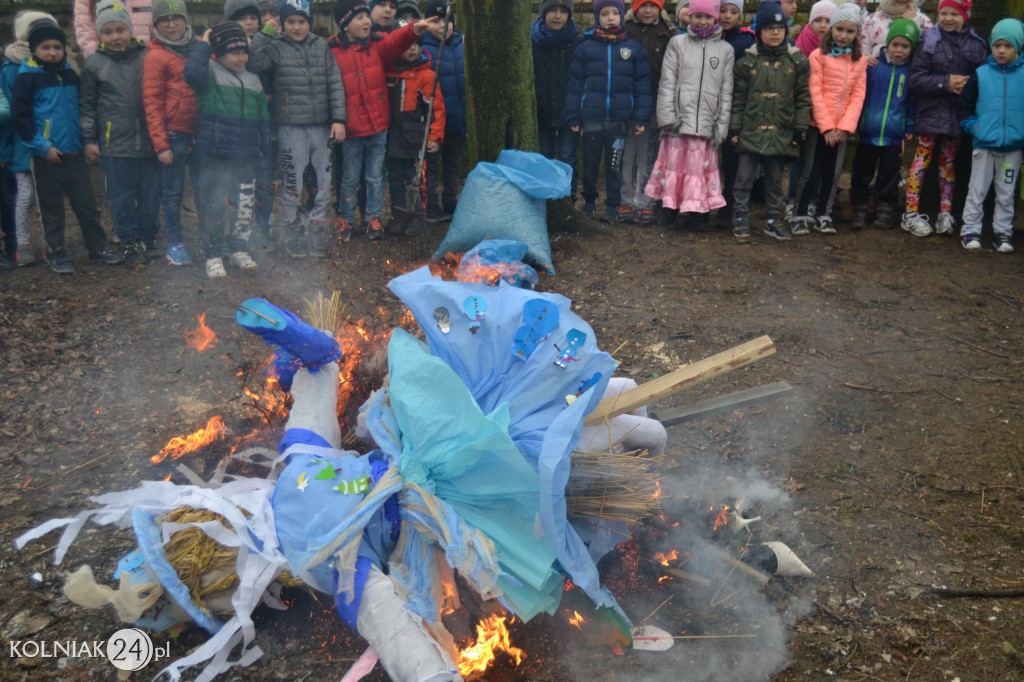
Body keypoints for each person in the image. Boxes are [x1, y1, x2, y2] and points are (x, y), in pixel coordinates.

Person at [12, 14, 123, 274]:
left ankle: (97, 246)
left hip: (74, 152)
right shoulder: (26, 77)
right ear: (34, 49)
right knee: (51, 209)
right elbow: (21, 118)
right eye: (46, 48)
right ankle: (57, 251)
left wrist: (89, 141)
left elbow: (84, 109)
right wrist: (41, 146)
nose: (52, 53)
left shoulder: (71, 75)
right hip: (47, 155)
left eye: (57, 48)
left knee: (86, 204)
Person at [329, 0, 440, 241]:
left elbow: (396, 40)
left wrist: (415, 28)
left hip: (378, 128)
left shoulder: (378, 46)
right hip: (351, 129)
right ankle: (346, 218)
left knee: (374, 176)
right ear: (345, 25)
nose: (367, 22)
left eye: (366, 17)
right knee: (349, 176)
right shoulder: (333, 51)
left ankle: (373, 218)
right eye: (359, 18)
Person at [248, 0, 346, 258]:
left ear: (309, 22)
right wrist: (264, 34)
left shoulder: (321, 46)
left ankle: (315, 228)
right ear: (282, 22)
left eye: (301, 21)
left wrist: (338, 119)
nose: (296, 26)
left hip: (322, 125)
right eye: (290, 21)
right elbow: (254, 63)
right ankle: (292, 230)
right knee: (293, 180)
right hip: (291, 126)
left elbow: (335, 82)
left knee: (322, 182)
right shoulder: (276, 46)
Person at [184, 22, 270, 278]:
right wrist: (203, 43)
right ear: (219, 53)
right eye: (234, 52)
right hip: (215, 155)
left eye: (244, 51)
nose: (241, 57)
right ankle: (213, 253)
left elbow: (263, 121)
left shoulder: (254, 80)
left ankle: (238, 249)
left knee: (243, 204)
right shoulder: (209, 74)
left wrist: (264, 152)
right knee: (215, 204)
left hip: (246, 156)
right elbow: (191, 73)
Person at [80, 0, 160, 267]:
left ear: (130, 30)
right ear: (100, 35)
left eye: (120, 30)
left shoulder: (147, 56)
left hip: (149, 141)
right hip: (115, 145)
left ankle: (149, 236)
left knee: (150, 192)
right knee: (121, 196)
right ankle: (127, 241)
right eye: (108, 32)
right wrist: (90, 140)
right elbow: (88, 106)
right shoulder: (95, 64)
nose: (116, 37)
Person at [644, 0, 732, 232]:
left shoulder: (725, 50)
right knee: (674, 168)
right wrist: (668, 116)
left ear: (715, 19)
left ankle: (697, 213)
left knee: (697, 170)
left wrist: (721, 125)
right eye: (697, 16)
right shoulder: (677, 44)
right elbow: (667, 82)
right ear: (689, 17)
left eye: (707, 17)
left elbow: (726, 90)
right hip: (678, 122)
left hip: (706, 124)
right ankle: (669, 210)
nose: (702, 21)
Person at [902, 0, 987, 237]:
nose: (948, 18)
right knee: (920, 163)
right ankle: (910, 212)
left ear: (965, 16)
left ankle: (946, 213)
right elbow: (916, 79)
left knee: (948, 166)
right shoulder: (928, 40)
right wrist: (945, 83)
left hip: (956, 116)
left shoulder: (976, 43)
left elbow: (983, 78)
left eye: (954, 14)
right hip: (929, 113)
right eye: (944, 13)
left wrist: (968, 86)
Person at [563, 0, 651, 224]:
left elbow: (642, 85)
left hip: (618, 121)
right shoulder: (585, 47)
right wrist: (573, 115)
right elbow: (574, 84)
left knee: (614, 164)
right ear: (597, 18)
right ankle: (590, 202)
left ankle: (612, 205)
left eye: (614, 13)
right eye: (604, 14)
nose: (610, 17)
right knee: (590, 163)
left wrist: (641, 116)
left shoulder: (632, 49)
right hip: (592, 117)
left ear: (622, 16)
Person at [728, 1, 810, 243]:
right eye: (769, 28)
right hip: (751, 130)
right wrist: (735, 127)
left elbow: (803, 99)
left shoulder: (796, 62)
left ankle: (774, 218)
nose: (775, 33)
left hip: (781, 130)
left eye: (780, 28)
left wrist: (799, 128)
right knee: (744, 176)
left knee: (775, 178)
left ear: (785, 30)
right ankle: (740, 216)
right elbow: (739, 98)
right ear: (759, 31)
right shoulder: (747, 62)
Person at [790, 3, 866, 236]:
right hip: (818, 126)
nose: (843, 36)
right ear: (831, 29)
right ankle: (800, 213)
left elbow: (857, 95)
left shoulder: (859, 60)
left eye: (850, 31)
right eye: (839, 29)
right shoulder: (818, 56)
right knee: (811, 170)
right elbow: (815, 92)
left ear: (856, 34)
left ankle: (824, 212)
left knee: (833, 174)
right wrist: (826, 128)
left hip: (842, 129)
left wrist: (844, 127)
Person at [956, 18, 1024, 254]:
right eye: (997, 46)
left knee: (1006, 192)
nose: (1002, 51)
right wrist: (976, 128)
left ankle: (1003, 232)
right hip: (983, 144)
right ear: (991, 46)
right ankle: (971, 230)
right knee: (977, 189)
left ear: (1018, 47)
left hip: (1013, 146)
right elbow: (964, 107)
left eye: (1008, 46)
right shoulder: (980, 74)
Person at [144, 0, 199, 266]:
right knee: (172, 192)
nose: (171, 24)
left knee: (204, 188)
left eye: (176, 18)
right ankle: (175, 244)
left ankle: (210, 241)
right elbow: (151, 102)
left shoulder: (197, 47)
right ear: (156, 26)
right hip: (173, 134)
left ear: (185, 20)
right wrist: (160, 143)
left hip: (200, 131)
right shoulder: (156, 56)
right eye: (163, 20)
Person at [851, 19, 919, 231]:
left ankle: (885, 208)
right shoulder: (873, 66)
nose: (899, 50)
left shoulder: (910, 72)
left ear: (912, 49)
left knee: (889, 174)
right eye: (895, 45)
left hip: (893, 135)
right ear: (888, 44)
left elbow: (912, 103)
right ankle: (860, 208)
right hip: (868, 131)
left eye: (905, 46)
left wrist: (909, 127)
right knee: (861, 171)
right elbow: (859, 94)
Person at [622, 0, 676, 224]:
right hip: (625, 101)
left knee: (648, 154)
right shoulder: (625, 31)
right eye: (643, 5)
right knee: (625, 154)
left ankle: (644, 201)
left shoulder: (669, 34)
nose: (647, 11)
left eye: (653, 6)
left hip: (654, 101)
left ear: (660, 8)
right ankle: (623, 199)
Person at [385, 40, 445, 236]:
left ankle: (418, 216)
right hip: (392, 136)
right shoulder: (390, 73)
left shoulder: (427, 76)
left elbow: (435, 110)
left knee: (415, 179)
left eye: (414, 45)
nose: (411, 48)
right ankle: (399, 215)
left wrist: (435, 137)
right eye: (406, 44)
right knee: (394, 179)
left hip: (416, 138)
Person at [0, 12, 41, 267]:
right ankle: (18, 245)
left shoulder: (57, 62)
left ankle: (38, 243)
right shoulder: (10, 68)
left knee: (34, 198)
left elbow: (7, 109)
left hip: (40, 142)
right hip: (17, 147)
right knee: (21, 198)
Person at [532, 0, 583, 206]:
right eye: (552, 10)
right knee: (543, 153)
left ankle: (567, 198)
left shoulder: (576, 41)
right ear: (544, 12)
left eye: (563, 11)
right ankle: (544, 198)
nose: (558, 15)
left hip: (569, 109)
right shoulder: (533, 41)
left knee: (568, 155)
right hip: (542, 108)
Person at [421, 3, 467, 223]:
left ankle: (450, 200)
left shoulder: (461, 44)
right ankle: (430, 204)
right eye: (435, 21)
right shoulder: (423, 49)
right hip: (434, 121)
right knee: (431, 165)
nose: (442, 26)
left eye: (446, 21)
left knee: (453, 163)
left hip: (458, 118)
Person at [717, 0, 753, 228]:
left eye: (733, 12)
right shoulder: (708, 37)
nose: (727, 16)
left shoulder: (745, 41)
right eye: (723, 10)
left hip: (733, 107)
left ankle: (727, 203)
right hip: (709, 104)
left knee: (731, 160)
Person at [74, 0, 153, 58]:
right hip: (106, 62)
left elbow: (159, 20)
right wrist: (96, 59)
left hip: (145, 60)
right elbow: (85, 31)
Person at [861, 0, 932, 63]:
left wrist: (913, 22)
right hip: (875, 73)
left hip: (907, 74)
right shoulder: (872, 19)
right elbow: (862, 47)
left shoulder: (924, 21)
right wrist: (865, 60)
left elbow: (925, 52)